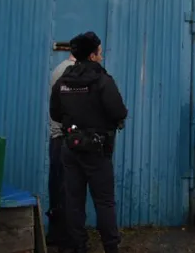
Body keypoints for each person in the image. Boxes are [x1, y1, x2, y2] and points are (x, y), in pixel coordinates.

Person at [50, 32, 128, 253]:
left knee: (73, 201)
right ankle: (111, 247)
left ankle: (77, 247)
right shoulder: (103, 80)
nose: (101, 56)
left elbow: (55, 113)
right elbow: (118, 112)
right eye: (100, 52)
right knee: (104, 202)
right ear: (93, 55)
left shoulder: (63, 80)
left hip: (70, 147)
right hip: (96, 149)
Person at [46, 52, 76, 248]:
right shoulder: (68, 72)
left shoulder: (59, 69)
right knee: (67, 188)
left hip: (57, 137)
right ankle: (66, 239)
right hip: (65, 138)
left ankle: (56, 235)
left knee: (57, 186)